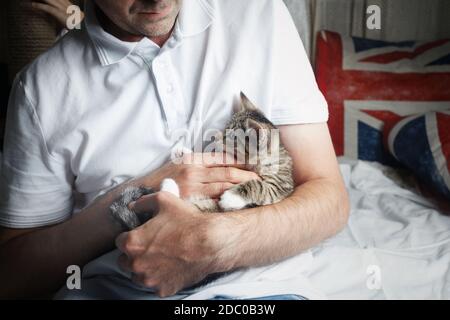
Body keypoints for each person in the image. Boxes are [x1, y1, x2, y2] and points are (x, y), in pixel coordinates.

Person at [0, 0, 350, 299]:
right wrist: (132, 200)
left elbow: (329, 199)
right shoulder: (41, 90)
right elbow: (14, 277)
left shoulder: (260, 14)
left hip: (258, 291)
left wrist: (210, 245)